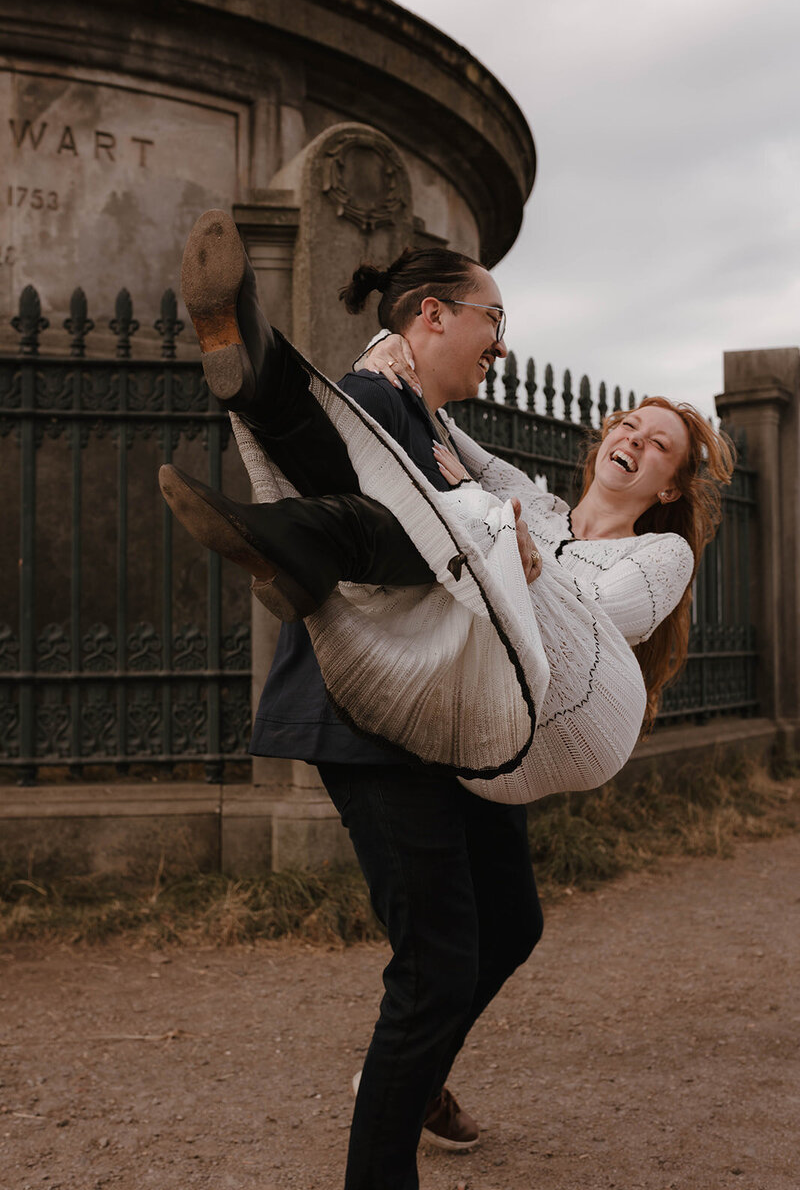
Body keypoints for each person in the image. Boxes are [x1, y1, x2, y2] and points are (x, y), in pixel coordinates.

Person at [161, 210, 733, 1190]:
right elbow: (405, 438)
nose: (634, 438)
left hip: (481, 723)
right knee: (434, 974)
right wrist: (404, 344)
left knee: (506, 925)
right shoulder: (531, 499)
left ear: (672, 486)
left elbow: (584, 614)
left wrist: (517, 557)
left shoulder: (654, 553)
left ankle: (417, 1078)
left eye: (659, 444)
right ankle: (255, 382)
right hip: (395, 707)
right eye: (630, 424)